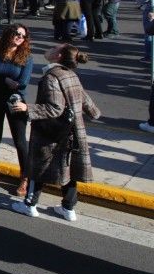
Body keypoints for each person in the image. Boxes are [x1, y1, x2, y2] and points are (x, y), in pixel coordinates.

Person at [11, 45, 101, 221]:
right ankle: (68, 208)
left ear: (57, 56)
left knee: (38, 167)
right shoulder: (70, 74)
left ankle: (30, 204)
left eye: (53, 48)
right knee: (68, 168)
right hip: (72, 130)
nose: (49, 49)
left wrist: (27, 108)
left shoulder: (51, 77)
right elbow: (83, 97)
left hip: (51, 132)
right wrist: (94, 112)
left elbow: (55, 108)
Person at [0, 24, 34, 195]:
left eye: (22, 36)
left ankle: (25, 178)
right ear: (8, 34)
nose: (19, 37)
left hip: (14, 102)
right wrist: (5, 81)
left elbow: (21, 83)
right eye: (16, 33)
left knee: (20, 141)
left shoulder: (27, 58)